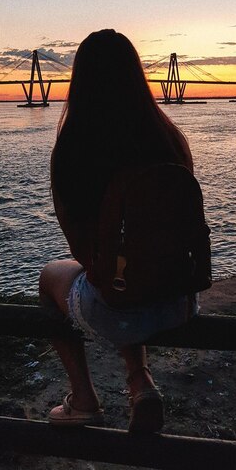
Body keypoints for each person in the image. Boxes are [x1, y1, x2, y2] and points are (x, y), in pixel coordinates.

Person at [39, 29, 202, 432]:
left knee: (51, 278)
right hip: (180, 299)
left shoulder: (74, 149)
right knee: (126, 269)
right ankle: (140, 380)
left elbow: (81, 254)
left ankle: (83, 399)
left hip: (116, 305)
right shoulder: (170, 140)